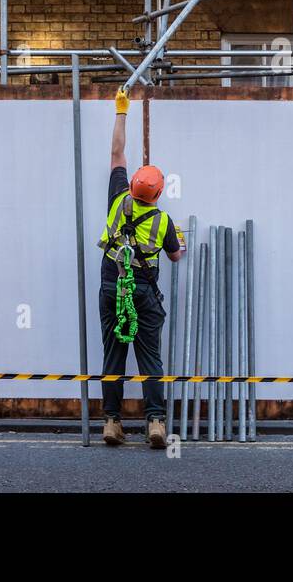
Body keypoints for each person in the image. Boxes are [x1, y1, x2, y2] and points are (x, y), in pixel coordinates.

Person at [98, 88, 185, 449]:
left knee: (113, 354)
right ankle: (155, 422)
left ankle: (111, 422)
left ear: (132, 185)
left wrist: (122, 111)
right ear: (159, 194)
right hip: (144, 292)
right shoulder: (163, 221)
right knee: (150, 357)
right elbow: (176, 255)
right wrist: (178, 238)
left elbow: (117, 152)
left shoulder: (118, 198)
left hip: (112, 286)